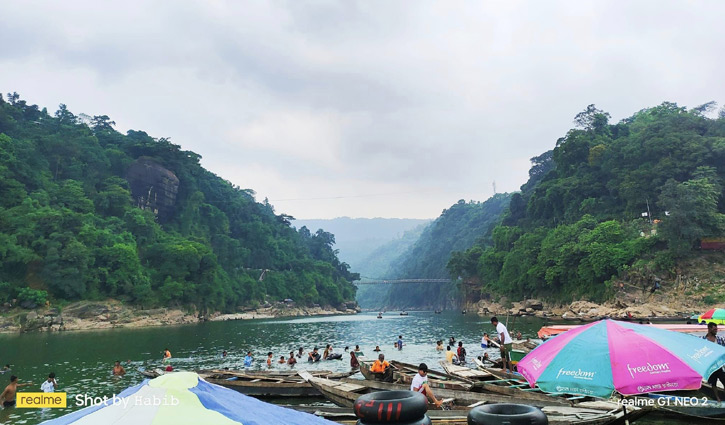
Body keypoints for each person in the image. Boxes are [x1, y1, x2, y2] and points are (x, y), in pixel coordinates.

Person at [703, 322, 725, 401]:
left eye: (716, 329)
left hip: (719, 365)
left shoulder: (719, 339)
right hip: (710, 366)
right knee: (713, 383)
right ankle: (717, 398)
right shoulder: (703, 340)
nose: (716, 331)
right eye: (714, 329)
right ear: (709, 329)